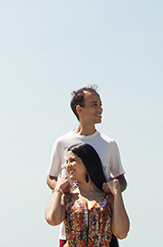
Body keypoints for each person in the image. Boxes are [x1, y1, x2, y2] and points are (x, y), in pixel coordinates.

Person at [46, 86, 127, 245]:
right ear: (80, 110)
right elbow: (51, 177)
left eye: (100, 104)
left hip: (102, 217)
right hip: (71, 217)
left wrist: (111, 191)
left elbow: (121, 179)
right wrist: (63, 189)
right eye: (94, 104)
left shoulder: (108, 144)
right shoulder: (62, 142)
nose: (100, 108)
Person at [45, 142, 130, 247]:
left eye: (72, 161)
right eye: (66, 162)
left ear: (87, 163)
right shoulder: (68, 197)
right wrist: (57, 189)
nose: (68, 166)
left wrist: (117, 193)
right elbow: (52, 219)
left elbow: (121, 233)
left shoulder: (108, 198)